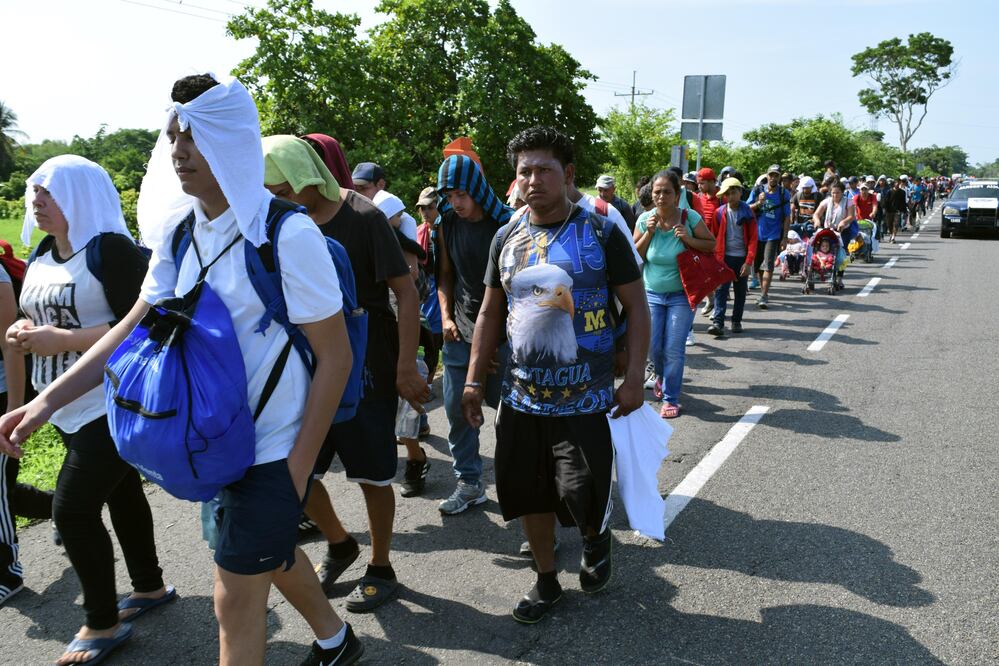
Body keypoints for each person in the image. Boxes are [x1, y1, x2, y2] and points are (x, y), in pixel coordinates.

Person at [462, 126, 649, 623]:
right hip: (521, 397)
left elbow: (636, 304)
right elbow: (488, 313)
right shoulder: (506, 236)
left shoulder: (603, 233)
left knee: (581, 492)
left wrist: (633, 378)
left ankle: (595, 534)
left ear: (568, 175)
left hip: (586, 398)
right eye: (524, 171)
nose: (533, 179)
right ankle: (546, 581)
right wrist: (474, 379)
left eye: (544, 169)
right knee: (529, 493)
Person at [2, 155, 174, 665]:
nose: (36, 202)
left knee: (72, 511)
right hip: (63, 406)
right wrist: (22, 335)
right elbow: (35, 321)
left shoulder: (112, 251)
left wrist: (64, 339)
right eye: (34, 192)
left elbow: (148, 324)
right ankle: (149, 586)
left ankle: (101, 624)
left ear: (80, 195)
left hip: (114, 399)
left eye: (47, 193)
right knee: (121, 494)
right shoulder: (41, 253)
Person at [264, 137, 427, 612]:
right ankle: (339, 542)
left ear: (302, 177)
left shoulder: (364, 217)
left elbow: (407, 291)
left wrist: (403, 365)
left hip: (366, 363)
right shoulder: (276, 221)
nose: (275, 201)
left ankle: (381, 565)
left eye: (279, 189)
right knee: (297, 467)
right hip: (304, 364)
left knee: (373, 473)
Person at [435, 153, 512, 515]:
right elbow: (445, 275)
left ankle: (522, 490)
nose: (456, 203)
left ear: (478, 189)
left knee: (510, 417)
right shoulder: (446, 222)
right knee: (455, 409)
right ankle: (469, 482)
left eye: (461, 195)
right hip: (460, 331)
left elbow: (520, 290)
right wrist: (446, 316)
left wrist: (495, 342)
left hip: (505, 338)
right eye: (448, 196)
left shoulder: (508, 226)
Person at [634, 170, 715, 418]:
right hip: (651, 294)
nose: (661, 196)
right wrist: (649, 232)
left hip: (682, 294)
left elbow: (710, 244)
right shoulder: (645, 219)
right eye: (657, 192)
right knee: (654, 348)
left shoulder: (689, 217)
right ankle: (659, 376)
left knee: (674, 348)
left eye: (666, 192)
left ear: (677, 194)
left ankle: (671, 398)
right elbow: (634, 254)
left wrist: (688, 238)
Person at [0, 259, 52, 608]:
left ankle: (7, 574)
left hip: (4, 393)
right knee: (6, 487)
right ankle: (65, 508)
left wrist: (13, 412)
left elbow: (10, 346)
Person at [707, 178, 757, 337]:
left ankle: (736, 321)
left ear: (740, 192)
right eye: (727, 193)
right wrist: (714, 259)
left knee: (740, 292)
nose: (731, 196)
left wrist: (748, 262)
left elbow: (753, 238)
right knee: (721, 291)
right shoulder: (719, 212)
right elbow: (714, 236)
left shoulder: (748, 212)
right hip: (724, 258)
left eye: (734, 192)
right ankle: (718, 323)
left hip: (741, 258)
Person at [748, 164, 791, 309]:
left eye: (776, 175)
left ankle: (764, 295)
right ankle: (763, 291)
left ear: (779, 177)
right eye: (771, 175)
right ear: (767, 176)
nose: (773, 178)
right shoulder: (758, 190)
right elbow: (746, 208)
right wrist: (759, 203)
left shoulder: (784, 193)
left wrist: (784, 237)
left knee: (769, 265)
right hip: (757, 234)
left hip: (773, 235)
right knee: (758, 266)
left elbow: (787, 217)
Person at [883, 179, 906, 244]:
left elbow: (903, 202)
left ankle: (893, 237)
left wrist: (904, 210)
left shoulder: (902, 192)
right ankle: (891, 234)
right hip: (889, 210)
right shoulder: (889, 191)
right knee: (889, 224)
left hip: (897, 211)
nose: (897, 184)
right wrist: (885, 209)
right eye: (896, 182)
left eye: (898, 182)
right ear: (894, 183)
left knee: (896, 224)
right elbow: (886, 201)